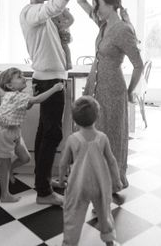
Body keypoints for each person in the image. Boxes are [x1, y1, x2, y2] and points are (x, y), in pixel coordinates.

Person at [20, 0, 96, 205]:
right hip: (49, 82)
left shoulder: (42, 17)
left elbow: (60, 13)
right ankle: (43, 193)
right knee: (52, 136)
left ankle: (41, 182)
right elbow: (57, 4)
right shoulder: (31, 13)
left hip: (51, 80)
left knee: (46, 134)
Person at [77, 0, 144, 188]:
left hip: (112, 89)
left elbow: (138, 65)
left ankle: (113, 180)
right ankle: (96, 177)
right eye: (95, 6)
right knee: (93, 134)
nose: (95, 9)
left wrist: (129, 91)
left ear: (112, 4)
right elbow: (80, 0)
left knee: (111, 136)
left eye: (99, 5)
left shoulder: (123, 30)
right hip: (94, 88)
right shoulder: (103, 24)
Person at [58, 95, 122, 246]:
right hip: (100, 184)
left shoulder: (73, 139)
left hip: (78, 185)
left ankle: (69, 243)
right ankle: (109, 241)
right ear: (97, 117)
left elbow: (63, 163)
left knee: (73, 216)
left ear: (74, 120)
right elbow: (112, 161)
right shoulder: (102, 137)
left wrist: (61, 179)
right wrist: (117, 179)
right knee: (105, 213)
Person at [0, 67, 64, 203]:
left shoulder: (16, 95)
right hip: (4, 134)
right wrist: (55, 89)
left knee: (25, 158)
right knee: (4, 164)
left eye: (23, 75)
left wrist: (33, 94)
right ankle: (5, 195)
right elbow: (37, 100)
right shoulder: (15, 96)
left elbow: (27, 105)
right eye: (19, 77)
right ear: (9, 85)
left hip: (14, 132)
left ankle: (10, 170)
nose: (24, 78)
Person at [49, 0, 74, 70]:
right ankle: (56, 62)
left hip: (63, 32)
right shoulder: (49, 9)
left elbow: (71, 19)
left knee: (64, 46)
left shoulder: (62, 9)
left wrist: (64, 26)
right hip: (54, 33)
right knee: (54, 47)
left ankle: (69, 62)